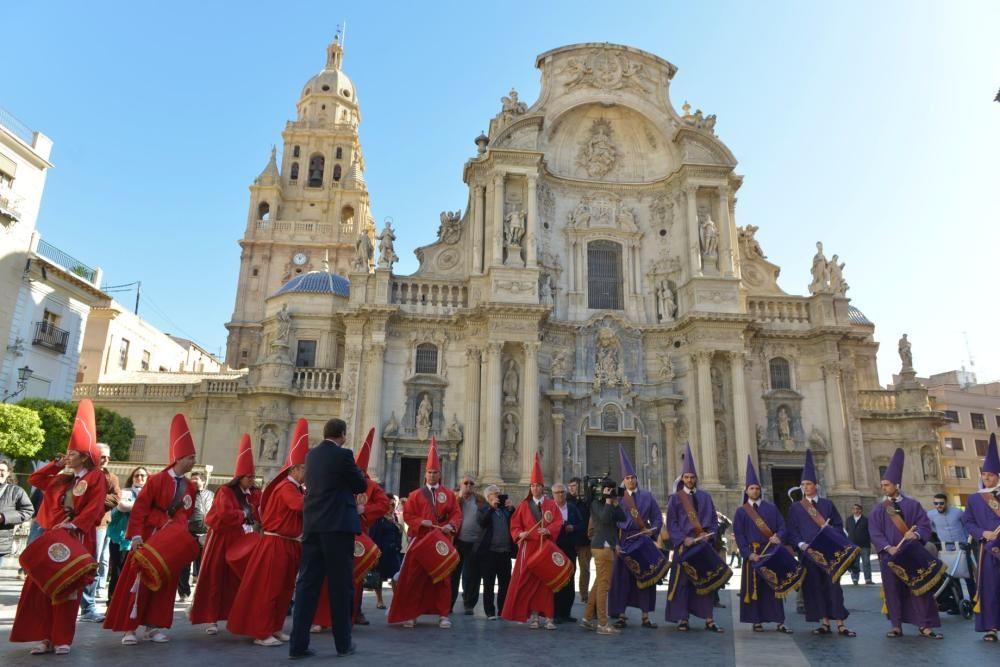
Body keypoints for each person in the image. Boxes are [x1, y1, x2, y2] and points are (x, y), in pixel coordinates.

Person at [9, 401, 107, 656]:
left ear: (85, 455)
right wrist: (56, 463)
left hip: (75, 538)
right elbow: (35, 479)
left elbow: (95, 508)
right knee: (43, 586)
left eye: (72, 452)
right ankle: (43, 637)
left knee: (68, 588)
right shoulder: (62, 478)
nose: (68, 455)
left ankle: (62, 637)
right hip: (51, 537)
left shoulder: (95, 477)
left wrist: (74, 524)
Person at [104, 413, 198, 645]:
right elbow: (140, 510)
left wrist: (178, 532)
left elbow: (186, 513)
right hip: (149, 538)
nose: (194, 461)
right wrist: (136, 535)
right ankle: (129, 629)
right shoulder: (156, 481)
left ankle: (153, 627)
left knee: (165, 584)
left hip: (171, 542)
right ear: (179, 458)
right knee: (139, 582)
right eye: (190, 457)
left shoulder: (190, 486)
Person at [288, 418, 367, 659]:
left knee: (306, 586)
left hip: (313, 526)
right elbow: (360, 483)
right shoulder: (344, 455)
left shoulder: (311, 456)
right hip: (337, 527)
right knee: (340, 587)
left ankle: (297, 646)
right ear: (342, 434)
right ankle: (343, 644)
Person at [228, 418, 309, 647]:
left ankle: (275, 627)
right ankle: (262, 632)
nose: (308, 472)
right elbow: (299, 507)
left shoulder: (295, 488)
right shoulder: (286, 488)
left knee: (284, 589)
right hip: (277, 544)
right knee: (270, 589)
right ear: (295, 468)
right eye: (305, 468)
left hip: (290, 543)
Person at [387, 438, 462, 629]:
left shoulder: (449, 495)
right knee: (414, 579)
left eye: (435, 472)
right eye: (429, 472)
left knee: (443, 579)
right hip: (420, 542)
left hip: (440, 542)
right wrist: (421, 522)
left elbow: (456, 514)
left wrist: (451, 525)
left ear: (440, 473)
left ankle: (443, 614)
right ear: (425, 475)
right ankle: (411, 614)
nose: (432, 475)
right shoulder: (415, 495)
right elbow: (409, 515)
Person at [190, 433, 261, 634]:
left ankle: (235, 615)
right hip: (222, 539)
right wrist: (244, 513)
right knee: (215, 577)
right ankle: (211, 619)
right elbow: (225, 513)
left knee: (238, 579)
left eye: (253, 477)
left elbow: (259, 511)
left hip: (242, 539)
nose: (252, 480)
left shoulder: (254, 493)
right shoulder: (225, 492)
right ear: (240, 477)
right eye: (249, 477)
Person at [868, 448, 942, 639]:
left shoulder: (913, 505)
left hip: (911, 555)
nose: (883, 487)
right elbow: (875, 531)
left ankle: (924, 625)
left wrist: (915, 535)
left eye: (887, 484)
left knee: (919, 590)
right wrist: (887, 547)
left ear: (896, 485)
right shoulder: (879, 509)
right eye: (882, 484)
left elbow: (925, 525)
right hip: (890, 556)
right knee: (892, 591)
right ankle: (896, 625)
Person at [786, 448, 855, 637]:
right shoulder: (796, 508)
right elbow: (792, 531)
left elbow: (839, 527)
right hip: (808, 554)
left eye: (808, 484)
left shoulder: (827, 505)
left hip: (829, 555)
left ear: (815, 485)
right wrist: (801, 545)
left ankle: (840, 623)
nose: (805, 487)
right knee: (815, 588)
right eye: (803, 484)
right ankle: (824, 622)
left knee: (834, 588)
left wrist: (830, 531)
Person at [664, 445, 725, 633]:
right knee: (682, 584)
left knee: (706, 583)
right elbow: (672, 523)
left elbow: (714, 520)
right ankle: (683, 618)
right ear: (682, 479)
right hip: (685, 546)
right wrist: (683, 539)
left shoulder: (706, 497)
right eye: (686, 477)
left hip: (703, 546)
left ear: (696, 479)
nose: (689, 480)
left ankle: (709, 619)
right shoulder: (675, 499)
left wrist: (710, 535)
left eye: (692, 477)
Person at [501, 454, 564, 629]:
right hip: (529, 548)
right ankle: (534, 616)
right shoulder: (523, 506)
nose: (535, 488)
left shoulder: (551, 505)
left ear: (543, 488)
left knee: (546, 583)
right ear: (530, 488)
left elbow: (558, 521)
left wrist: (549, 530)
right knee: (530, 584)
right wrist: (519, 534)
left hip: (545, 548)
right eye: (533, 486)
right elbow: (514, 525)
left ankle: (549, 617)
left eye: (538, 486)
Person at [733, 456, 792, 633]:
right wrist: (747, 553)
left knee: (775, 587)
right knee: (755, 588)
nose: (755, 491)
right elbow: (739, 534)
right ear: (746, 490)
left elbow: (782, 526)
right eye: (752, 488)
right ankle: (756, 620)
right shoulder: (741, 511)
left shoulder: (771, 508)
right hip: (753, 554)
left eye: (757, 488)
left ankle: (779, 620)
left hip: (770, 553)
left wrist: (778, 537)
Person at [609, 446, 663, 629]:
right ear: (623, 480)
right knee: (622, 580)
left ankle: (645, 616)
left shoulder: (648, 496)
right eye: (627, 478)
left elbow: (656, 517)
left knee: (647, 578)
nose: (630, 480)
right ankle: (621, 615)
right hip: (624, 542)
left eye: (633, 477)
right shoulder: (618, 499)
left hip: (643, 541)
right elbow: (611, 524)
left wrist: (653, 530)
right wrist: (615, 545)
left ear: (636, 479)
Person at [348, 428, 391, 625]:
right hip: (341, 533)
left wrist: (365, 509)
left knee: (358, 577)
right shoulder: (343, 482)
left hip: (361, 533)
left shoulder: (372, 487)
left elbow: (383, 505)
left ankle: (355, 611)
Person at [961, 433, 1000, 642]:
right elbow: (968, 522)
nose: (987, 478)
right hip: (986, 549)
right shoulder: (975, 499)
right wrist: (982, 533)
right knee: (990, 588)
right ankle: (991, 627)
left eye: (991, 475)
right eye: (984, 474)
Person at [79, 443, 121, 623]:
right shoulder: (81, 474)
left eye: (107, 457)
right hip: (76, 525)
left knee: (93, 564)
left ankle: (88, 607)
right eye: (102, 456)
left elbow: (116, 497)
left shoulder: (111, 477)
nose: (105, 460)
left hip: (99, 526)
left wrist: (95, 500)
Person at [580, 478, 626, 635]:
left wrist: (615, 502)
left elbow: (623, 517)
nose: (611, 492)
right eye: (609, 489)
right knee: (604, 586)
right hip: (602, 547)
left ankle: (586, 618)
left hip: (607, 546)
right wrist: (607, 501)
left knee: (598, 583)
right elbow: (605, 519)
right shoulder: (595, 503)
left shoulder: (609, 503)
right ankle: (602, 623)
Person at [929, 491, 975, 613]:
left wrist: (967, 541)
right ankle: (957, 604)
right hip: (946, 549)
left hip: (962, 547)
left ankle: (975, 603)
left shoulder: (957, 512)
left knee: (968, 576)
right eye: (936, 503)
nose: (938, 506)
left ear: (946, 503)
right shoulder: (931, 515)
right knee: (952, 577)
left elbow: (967, 526)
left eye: (941, 503)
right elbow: (931, 528)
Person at [107, 466, 147, 597]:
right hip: (121, 539)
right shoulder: (125, 492)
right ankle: (111, 605)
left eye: (143, 476)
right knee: (117, 574)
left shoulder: (150, 494)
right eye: (137, 475)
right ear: (132, 478)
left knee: (136, 575)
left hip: (143, 540)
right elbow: (122, 507)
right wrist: (145, 506)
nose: (140, 478)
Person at [476, 484, 515, 620]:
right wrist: (491, 508)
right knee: (489, 584)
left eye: (499, 493)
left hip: (504, 552)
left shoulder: (505, 510)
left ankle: (502, 610)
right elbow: (482, 522)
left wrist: (512, 509)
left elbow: (515, 523)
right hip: (489, 553)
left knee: (505, 584)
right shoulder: (483, 509)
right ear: (488, 497)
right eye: (495, 493)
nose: (498, 495)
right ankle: (490, 611)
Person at [452, 475, 487, 614]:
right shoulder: (454, 500)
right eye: (465, 483)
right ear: (460, 485)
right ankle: (448, 604)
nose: (468, 485)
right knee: (453, 575)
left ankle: (469, 604)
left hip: (474, 543)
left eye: (471, 483)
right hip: (458, 542)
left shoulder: (480, 500)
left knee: (472, 576)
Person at [177, 470, 213, 601]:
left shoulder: (211, 495)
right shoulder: (185, 495)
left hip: (206, 534)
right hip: (188, 533)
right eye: (191, 479)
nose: (193, 481)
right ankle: (183, 593)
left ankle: (202, 594)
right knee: (184, 564)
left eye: (196, 479)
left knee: (205, 566)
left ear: (203, 481)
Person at [552, 482, 583, 623]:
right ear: (553, 495)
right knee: (556, 580)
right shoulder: (549, 509)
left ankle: (566, 612)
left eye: (562, 492)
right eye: (557, 492)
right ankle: (556, 613)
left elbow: (581, 524)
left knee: (570, 580)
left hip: (570, 548)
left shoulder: (572, 508)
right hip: (554, 549)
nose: (560, 495)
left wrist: (573, 527)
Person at [367, 493, 403, 611]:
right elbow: (374, 536)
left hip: (394, 552)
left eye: (393, 504)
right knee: (379, 576)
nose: (392, 506)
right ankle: (379, 600)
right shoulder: (378, 519)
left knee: (396, 577)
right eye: (390, 504)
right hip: (382, 552)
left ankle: (397, 600)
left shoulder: (394, 518)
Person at [0, 458, 32, 569]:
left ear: (8, 473)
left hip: (1, 541)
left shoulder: (17, 491)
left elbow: (28, 511)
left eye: (2, 470)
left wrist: (4, 517)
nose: (0, 473)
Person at [567, 477, 592, 604]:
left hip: (584, 541)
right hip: (570, 541)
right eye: (570, 486)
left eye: (574, 486)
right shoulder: (566, 501)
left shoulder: (586, 502)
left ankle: (584, 594)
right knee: (570, 569)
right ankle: (568, 593)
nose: (572, 488)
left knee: (585, 569)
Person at [845, 503, 873, 586]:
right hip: (853, 545)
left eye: (857, 509)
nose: (856, 510)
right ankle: (855, 579)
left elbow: (870, 531)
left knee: (866, 563)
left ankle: (868, 579)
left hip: (864, 545)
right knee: (855, 563)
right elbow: (847, 530)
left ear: (861, 510)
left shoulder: (866, 520)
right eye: (854, 509)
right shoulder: (849, 520)